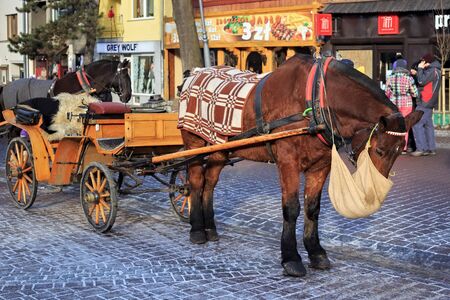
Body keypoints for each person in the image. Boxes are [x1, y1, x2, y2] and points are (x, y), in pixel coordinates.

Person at [409, 53, 441, 156]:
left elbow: (422, 81)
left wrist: (419, 69)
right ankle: (431, 148)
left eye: (423, 61)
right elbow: (425, 80)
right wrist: (418, 73)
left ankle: (421, 148)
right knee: (428, 125)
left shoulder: (432, 70)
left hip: (425, 101)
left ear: (427, 62)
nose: (421, 63)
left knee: (417, 124)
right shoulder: (436, 70)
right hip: (429, 101)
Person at [385, 59, 418, 154]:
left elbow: (386, 93)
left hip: (394, 104)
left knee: (395, 125)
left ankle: (393, 146)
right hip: (406, 104)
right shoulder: (409, 78)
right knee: (405, 125)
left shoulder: (390, 78)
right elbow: (415, 93)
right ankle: (403, 148)